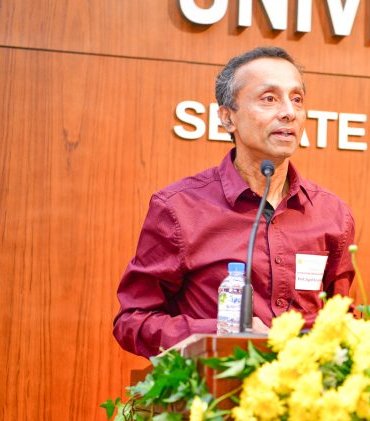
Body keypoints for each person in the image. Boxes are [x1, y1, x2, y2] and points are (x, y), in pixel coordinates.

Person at [113, 47, 355, 357]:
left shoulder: (332, 214)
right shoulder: (180, 208)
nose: (289, 112)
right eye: (269, 98)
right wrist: (224, 333)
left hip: (304, 384)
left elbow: (342, 319)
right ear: (228, 118)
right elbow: (133, 320)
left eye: (297, 99)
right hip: (216, 383)